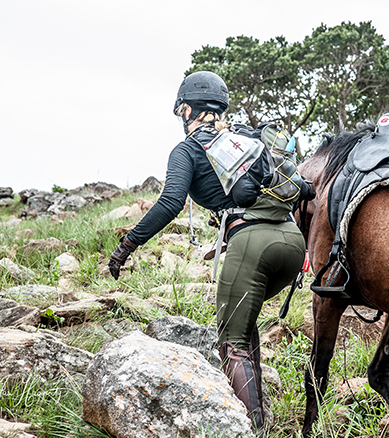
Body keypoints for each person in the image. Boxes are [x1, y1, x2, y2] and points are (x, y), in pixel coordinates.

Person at [108, 71, 314, 432]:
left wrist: (128, 244)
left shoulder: (187, 150)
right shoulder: (247, 141)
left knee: (232, 344)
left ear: (186, 109)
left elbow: (171, 202)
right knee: (244, 328)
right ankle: (258, 420)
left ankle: (249, 431)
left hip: (252, 243)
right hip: (293, 244)